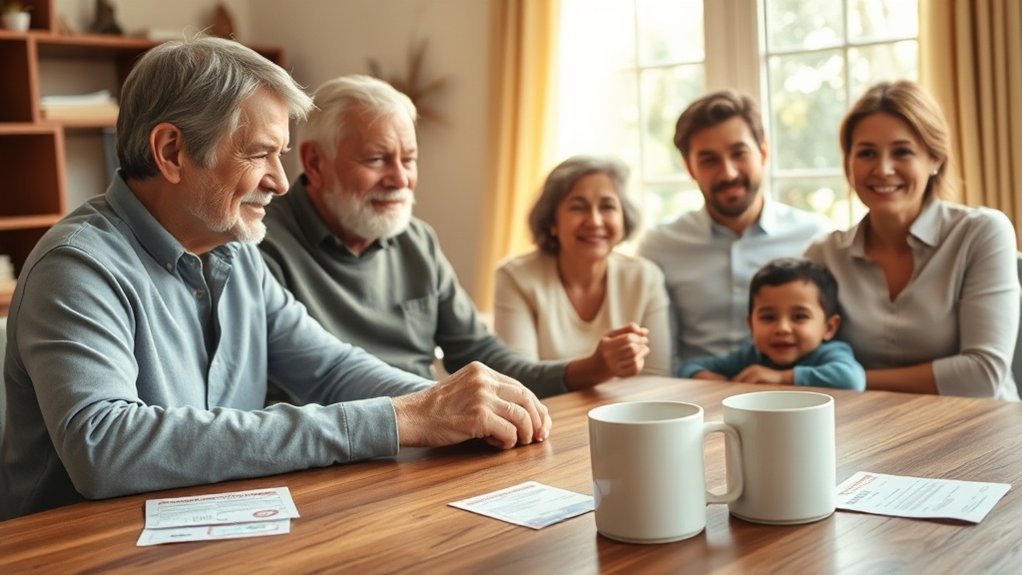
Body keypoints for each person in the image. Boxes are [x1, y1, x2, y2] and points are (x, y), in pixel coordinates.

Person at [0, 37, 550, 520]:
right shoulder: (77, 266)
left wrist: (450, 405)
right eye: (260, 154)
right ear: (171, 152)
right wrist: (397, 419)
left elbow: (331, 369)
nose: (282, 183)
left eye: (281, 155)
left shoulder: (235, 254)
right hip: (75, 551)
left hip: (206, 535)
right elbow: (105, 448)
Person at [260, 75, 647, 397]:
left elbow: (479, 354)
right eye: (377, 159)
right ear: (314, 162)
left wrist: (589, 369)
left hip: (425, 435)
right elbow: (310, 380)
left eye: (409, 159)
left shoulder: (417, 240)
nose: (400, 179)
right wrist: (435, 406)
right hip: (338, 451)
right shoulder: (261, 245)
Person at [804, 80, 1020, 400]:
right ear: (849, 164)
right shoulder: (823, 255)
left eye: (902, 152)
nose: (883, 169)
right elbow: (799, 356)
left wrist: (851, 379)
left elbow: (982, 376)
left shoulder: (982, 233)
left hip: (982, 431)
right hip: (869, 430)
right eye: (866, 153)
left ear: (935, 159)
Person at [638, 90, 831, 372]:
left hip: (793, 398)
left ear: (763, 153)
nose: (728, 173)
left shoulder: (814, 237)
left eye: (739, 153)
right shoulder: (659, 246)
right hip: (693, 396)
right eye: (709, 160)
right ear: (689, 168)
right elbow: (659, 355)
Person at [493, 155, 669, 375]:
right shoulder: (515, 276)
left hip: (628, 408)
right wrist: (597, 368)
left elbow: (657, 375)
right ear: (551, 222)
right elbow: (518, 379)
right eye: (578, 207)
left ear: (623, 219)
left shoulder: (645, 278)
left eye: (607, 207)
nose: (594, 221)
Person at [679, 258, 865, 390]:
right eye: (768, 318)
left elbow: (852, 380)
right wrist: (711, 378)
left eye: (799, 317)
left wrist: (781, 378)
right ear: (751, 325)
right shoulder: (749, 356)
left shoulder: (829, 354)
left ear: (829, 327)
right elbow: (689, 367)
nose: (782, 328)